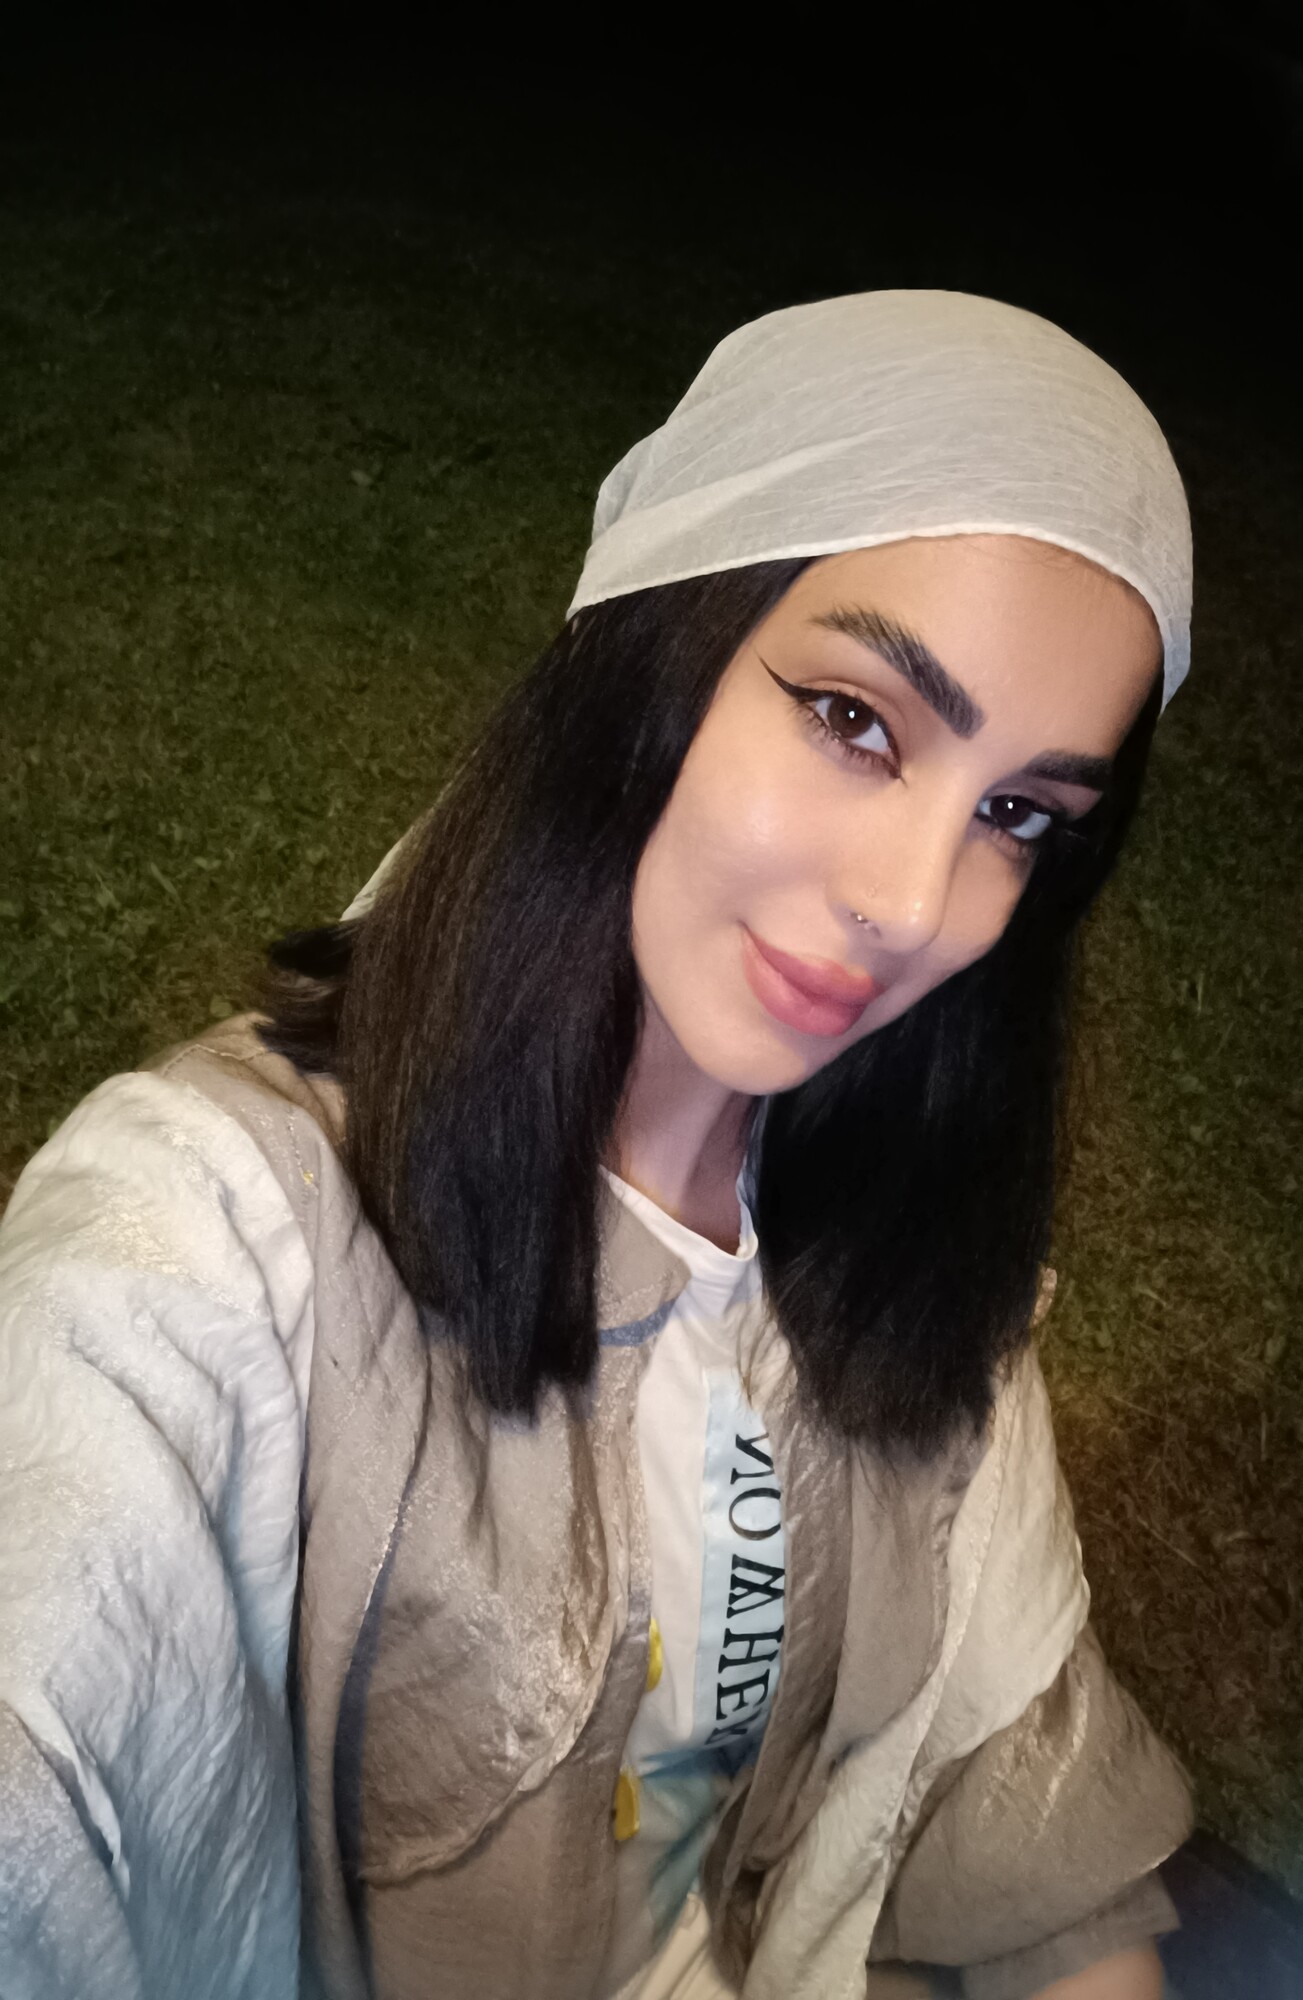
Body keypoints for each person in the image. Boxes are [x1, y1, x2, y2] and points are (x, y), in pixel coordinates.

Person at [0, 290, 1196, 2000]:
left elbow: (1031, 1828)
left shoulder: (898, 1225)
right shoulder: (211, 1233)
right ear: (656, 645)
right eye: (855, 719)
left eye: (1017, 816)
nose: (912, 903)